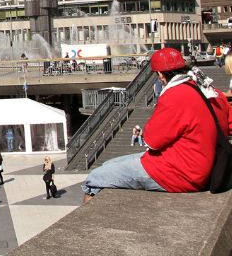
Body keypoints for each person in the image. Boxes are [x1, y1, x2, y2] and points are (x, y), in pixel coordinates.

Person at [82, 48, 232, 201]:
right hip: (209, 167)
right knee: (109, 164)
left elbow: (152, 142)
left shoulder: (174, 95)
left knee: (95, 178)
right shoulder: (211, 90)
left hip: (181, 173)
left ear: (160, 75)